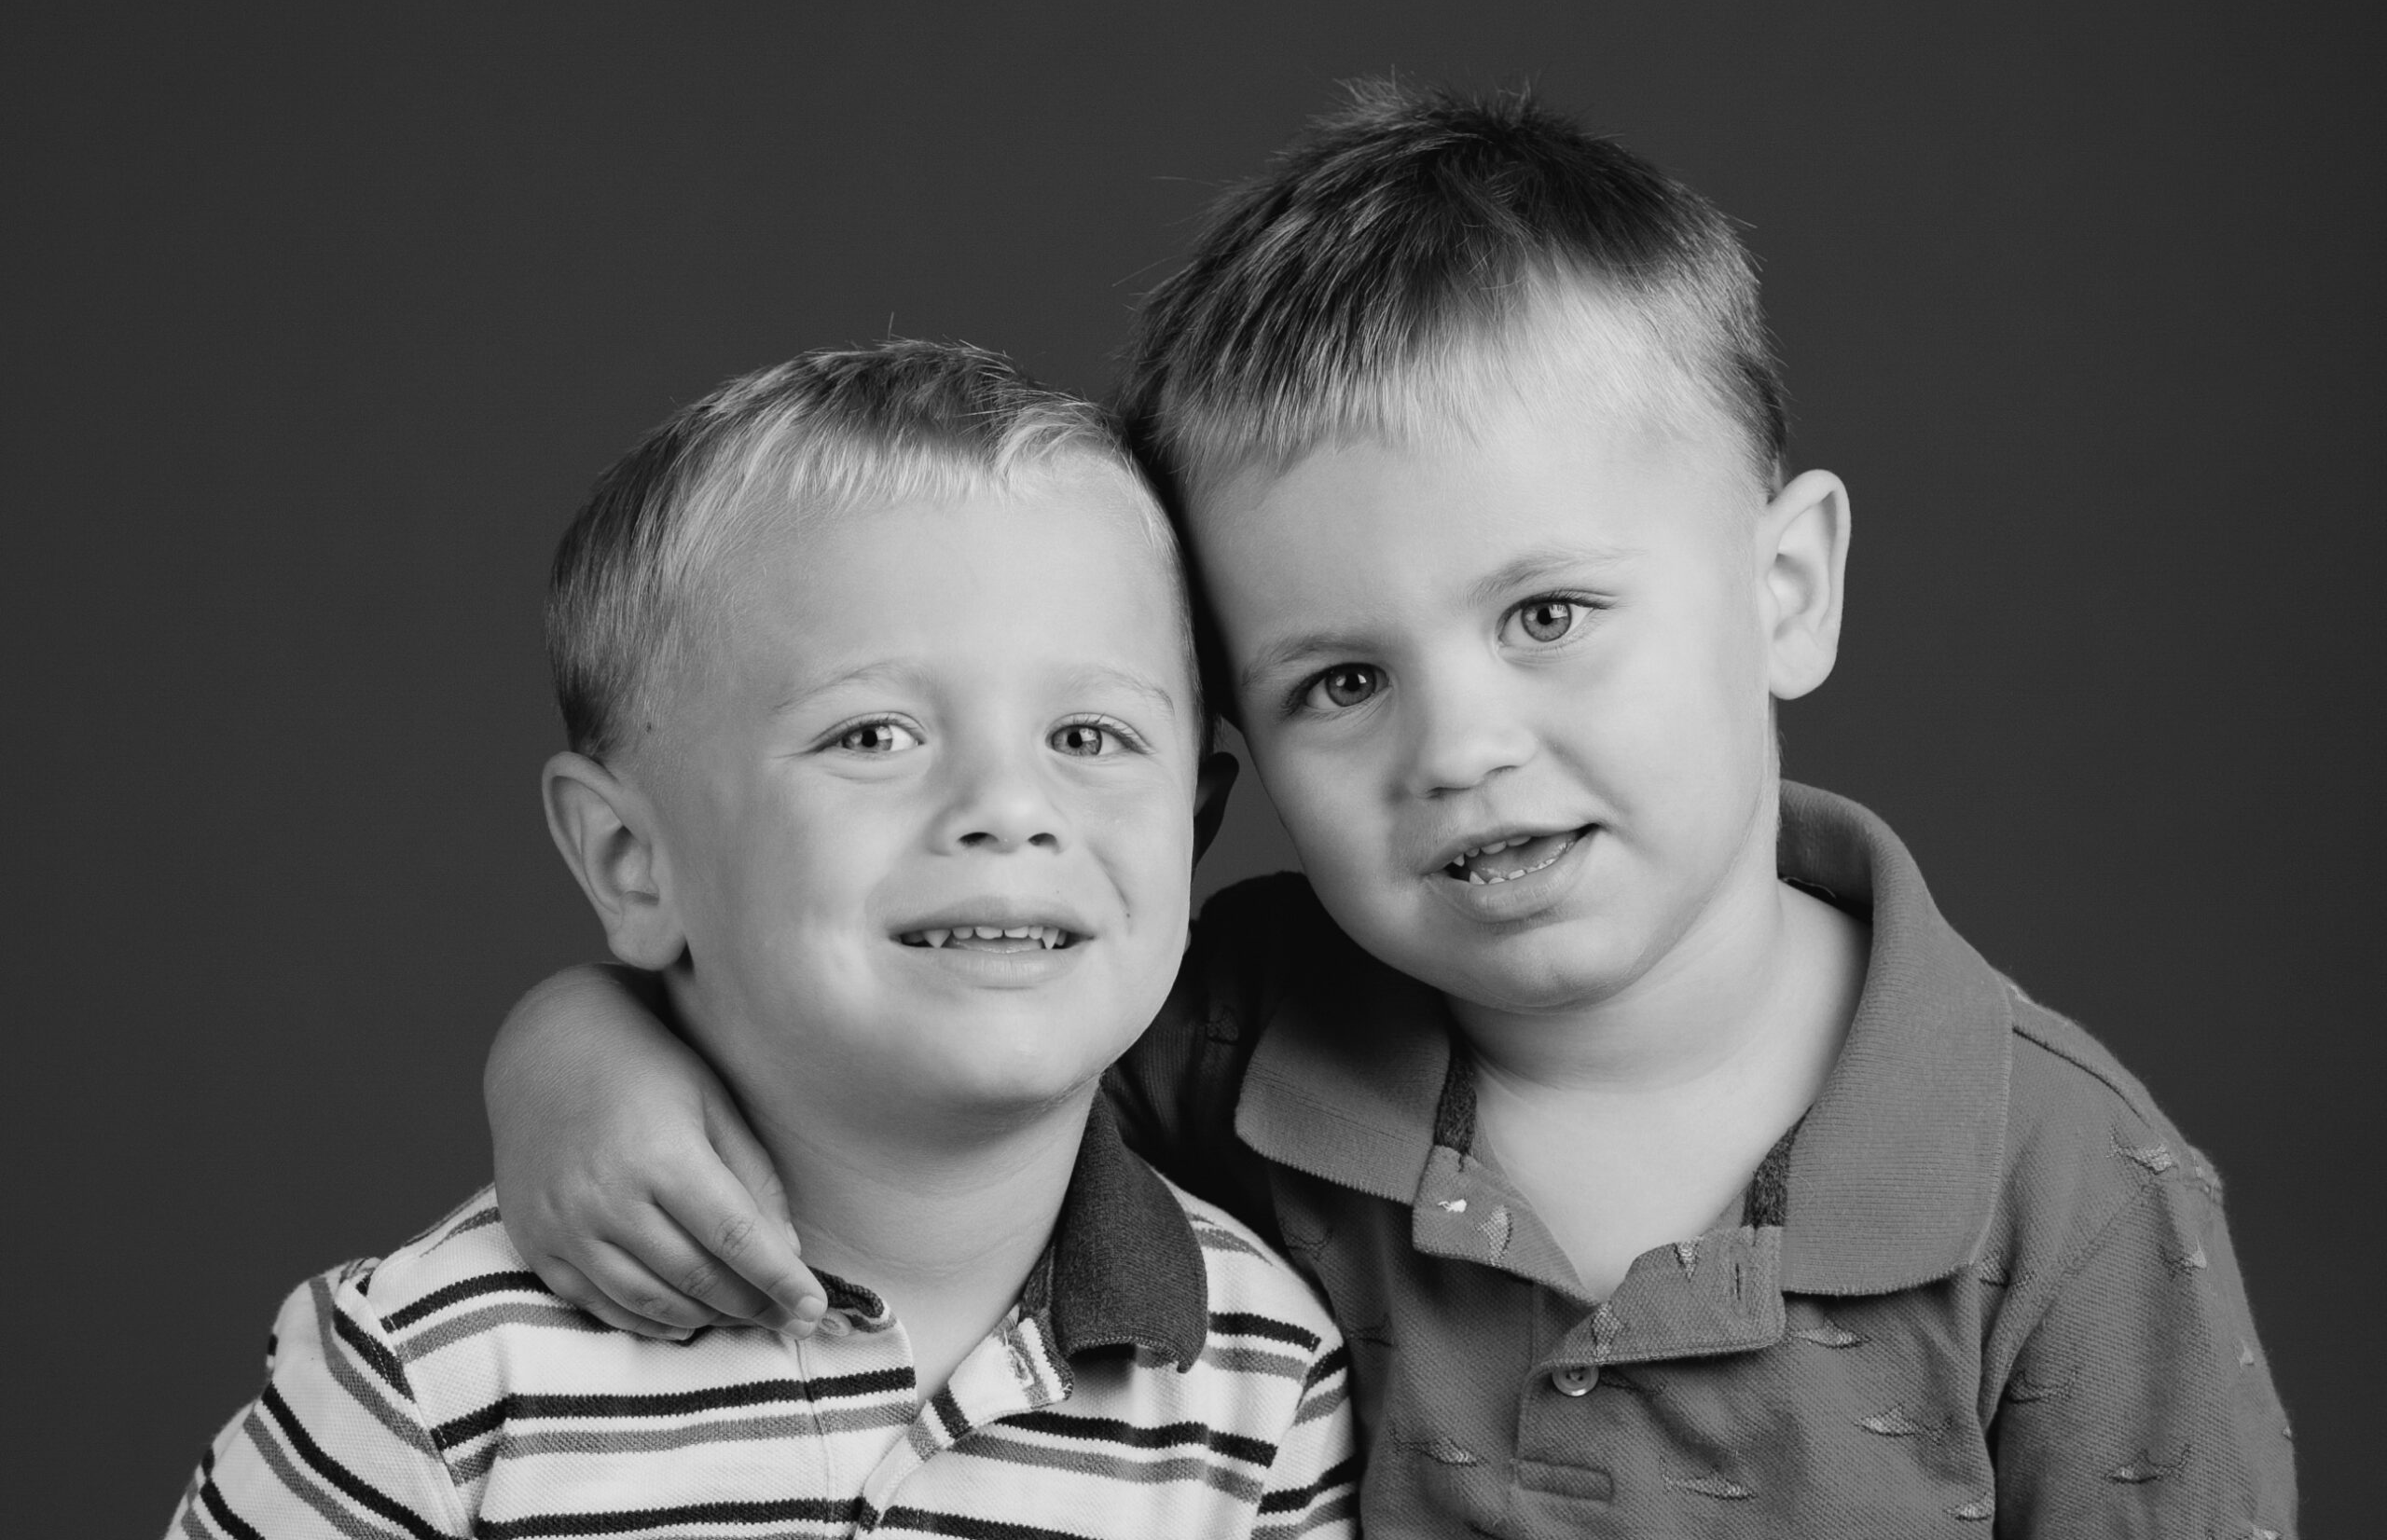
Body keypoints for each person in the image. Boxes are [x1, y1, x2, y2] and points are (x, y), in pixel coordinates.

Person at [481, 86, 2296, 1535]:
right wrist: (577, 1053)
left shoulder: (2069, 1193)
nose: (1460, 745)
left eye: (1547, 616)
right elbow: (881, 1065)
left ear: (1785, 589)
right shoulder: (1221, 1037)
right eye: (1340, 682)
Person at [169, 342, 1358, 1540]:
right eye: (873, 735)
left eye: (1089, 737)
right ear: (631, 860)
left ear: (1192, 827)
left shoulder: (1264, 1392)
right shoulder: (437, 1377)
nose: (1010, 806)